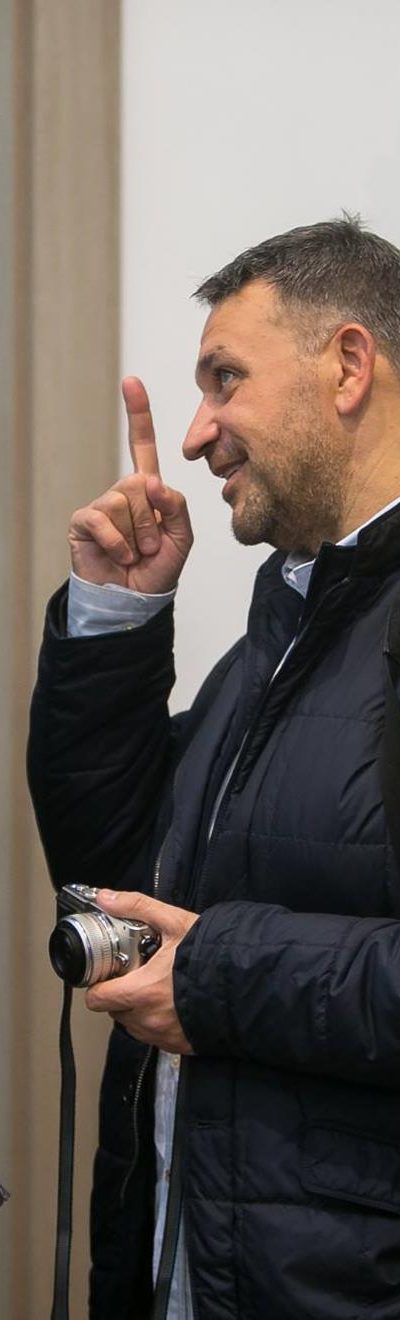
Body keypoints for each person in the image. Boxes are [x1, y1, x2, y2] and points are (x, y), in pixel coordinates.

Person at [28, 216, 400, 1320]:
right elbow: (114, 879)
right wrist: (118, 620)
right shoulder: (278, 640)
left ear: (347, 365)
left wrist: (221, 977)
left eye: (224, 380)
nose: (195, 438)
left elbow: (203, 960)